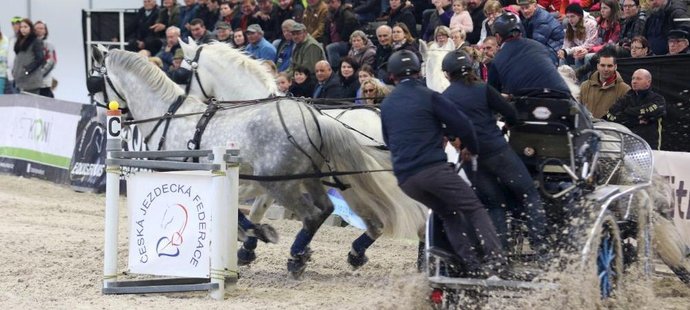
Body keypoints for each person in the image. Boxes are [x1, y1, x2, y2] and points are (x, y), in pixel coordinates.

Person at [380, 49, 507, 278]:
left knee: (448, 212)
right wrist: (472, 148)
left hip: (406, 179)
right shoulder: (429, 95)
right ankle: (497, 263)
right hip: (433, 170)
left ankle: (471, 266)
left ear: (392, 76)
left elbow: (390, 141)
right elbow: (464, 124)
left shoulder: (387, 105)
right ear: (419, 72)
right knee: (474, 207)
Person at [441, 49, 547, 252]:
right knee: (529, 193)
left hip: (471, 158)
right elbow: (511, 114)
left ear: (447, 74)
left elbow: (448, 130)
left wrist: (460, 142)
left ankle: (502, 253)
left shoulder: (445, 97)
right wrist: (508, 124)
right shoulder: (482, 88)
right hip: (498, 152)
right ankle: (540, 246)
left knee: (494, 204)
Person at [487, 13, 570, 96]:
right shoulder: (539, 46)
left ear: (497, 36)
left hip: (529, 102)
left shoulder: (497, 59)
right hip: (564, 96)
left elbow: (492, 95)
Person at [604, 69, 666, 150]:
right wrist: (636, 121)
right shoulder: (625, 99)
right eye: (633, 78)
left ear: (648, 82)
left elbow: (655, 111)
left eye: (639, 79)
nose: (634, 81)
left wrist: (628, 111)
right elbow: (610, 116)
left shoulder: (658, 99)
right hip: (626, 145)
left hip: (649, 147)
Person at [579, 51, 630, 118]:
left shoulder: (625, 89)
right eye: (602, 65)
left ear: (615, 67)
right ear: (597, 66)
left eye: (609, 66)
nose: (606, 69)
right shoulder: (584, 86)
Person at [517, 0, 563, 65]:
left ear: (535, 6)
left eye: (527, 7)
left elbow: (537, 44)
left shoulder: (542, 19)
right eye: (522, 8)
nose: (525, 11)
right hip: (544, 47)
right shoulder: (527, 17)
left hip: (555, 50)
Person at [558, 3, 598, 68]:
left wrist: (567, 51)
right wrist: (562, 51)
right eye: (568, 17)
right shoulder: (570, 25)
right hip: (580, 50)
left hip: (592, 50)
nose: (570, 19)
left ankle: (579, 77)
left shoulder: (591, 24)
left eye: (572, 16)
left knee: (578, 55)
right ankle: (562, 76)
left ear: (580, 16)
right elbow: (567, 44)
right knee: (563, 57)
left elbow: (589, 44)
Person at [12, 18, 45, 95]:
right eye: (21, 27)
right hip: (19, 80)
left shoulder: (36, 41)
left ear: (31, 28)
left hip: (31, 81)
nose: (23, 29)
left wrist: (27, 70)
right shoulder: (19, 41)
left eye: (25, 27)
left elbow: (40, 59)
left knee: (31, 104)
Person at [323, 0, 358, 68]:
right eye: (328, 3)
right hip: (334, 42)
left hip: (347, 43)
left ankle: (336, 69)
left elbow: (350, 30)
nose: (330, 5)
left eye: (332, 2)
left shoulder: (347, 14)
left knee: (331, 48)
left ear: (339, 2)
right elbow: (326, 33)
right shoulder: (329, 16)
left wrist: (343, 38)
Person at [33, 21, 56, 98]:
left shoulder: (48, 44)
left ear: (45, 31)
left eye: (41, 28)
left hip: (44, 82)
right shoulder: (30, 44)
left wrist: (40, 74)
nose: (39, 30)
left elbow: (52, 61)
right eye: (37, 28)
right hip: (31, 83)